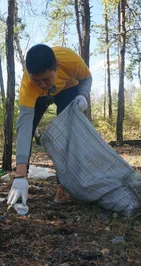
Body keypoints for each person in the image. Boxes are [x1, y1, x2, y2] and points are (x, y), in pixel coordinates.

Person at [7, 44, 92, 207]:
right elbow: (24, 128)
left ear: (57, 67)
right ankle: (20, 180)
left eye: (46, 79)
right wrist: (20, 173)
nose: (43, 84)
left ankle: (63, 186)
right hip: (39, 98)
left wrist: (83, 95)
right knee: (29, 128)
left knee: (67, 132)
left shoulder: (71, 61)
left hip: (68, 90)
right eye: (37, 80)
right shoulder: (29, 86)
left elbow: (87, 78)